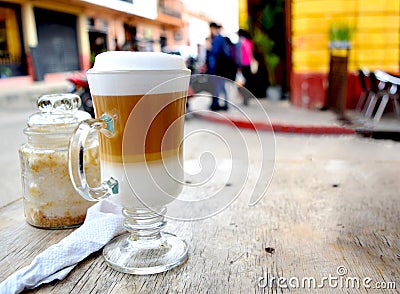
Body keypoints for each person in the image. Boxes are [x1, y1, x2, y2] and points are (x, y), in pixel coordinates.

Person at [207, 22, 236, 111]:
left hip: (218, 68)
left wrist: (211, 69)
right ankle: (225, 104)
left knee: (217, 87)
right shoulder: (223, 39)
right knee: (222, 86)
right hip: (223, 68)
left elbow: (213, 54)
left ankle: (216, 104)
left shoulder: (217, 39)